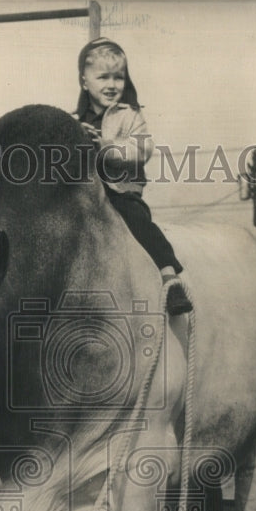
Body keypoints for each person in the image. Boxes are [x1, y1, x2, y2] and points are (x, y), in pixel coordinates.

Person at [74, 37, 193, 315]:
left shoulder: (130, 115)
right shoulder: (75, 120)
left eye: (119, 77)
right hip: (88, 194)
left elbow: (142, 148)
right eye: (103, 77)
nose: (112, 85)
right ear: (85, 81)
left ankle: (169, 276)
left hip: (121, 190)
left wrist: (105, 147)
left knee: (137, 220)